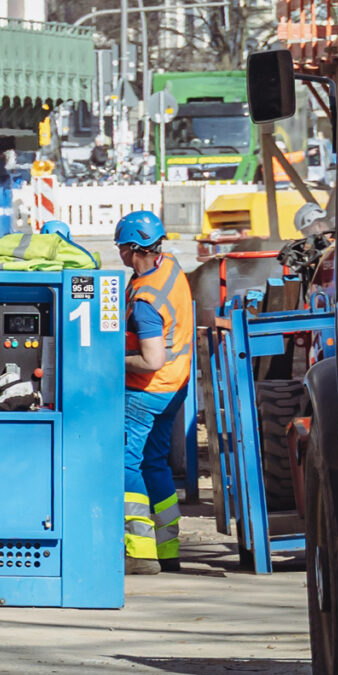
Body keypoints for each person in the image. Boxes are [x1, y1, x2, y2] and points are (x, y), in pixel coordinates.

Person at [114, 210, 195, 576]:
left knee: (125, 463)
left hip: (148, 389)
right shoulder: (170, 268)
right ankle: (168, 549)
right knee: (154, 462)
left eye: (120, 248)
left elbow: (150, 359)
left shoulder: (147, 300)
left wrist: (110, 356)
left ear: (133, 248)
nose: (119, 254)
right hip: (175, 386)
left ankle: (140, 552)